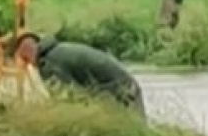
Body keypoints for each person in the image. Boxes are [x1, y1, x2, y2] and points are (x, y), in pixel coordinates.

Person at [13, 32, 146, 116]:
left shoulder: (49, 64)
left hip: (121, 93)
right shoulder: (59, 50)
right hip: (126, 87)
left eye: (23, 62)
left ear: (25, 53)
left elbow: (66, 100)